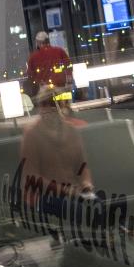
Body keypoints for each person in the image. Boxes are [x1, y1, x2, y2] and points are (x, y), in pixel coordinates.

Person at [20, 85, 94, 214]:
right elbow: (31, 177)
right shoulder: (31, 134)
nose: (49, 108)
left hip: (72, 193)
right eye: (45, 104)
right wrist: (65, 191)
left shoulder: (71, 130)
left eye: (54, 104)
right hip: (43, 197)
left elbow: (82, 165)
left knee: (98, 206)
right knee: (79, 211)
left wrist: (86, 184)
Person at [26, 32, 71, 97]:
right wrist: (68, 79)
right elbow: (68, 65)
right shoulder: (59, 51)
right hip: (61, 87)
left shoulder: (33, 57)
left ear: (38, 42)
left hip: (44, 89)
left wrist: (37, 81)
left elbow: (30, 74)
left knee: (44, 104)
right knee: (64, 105)